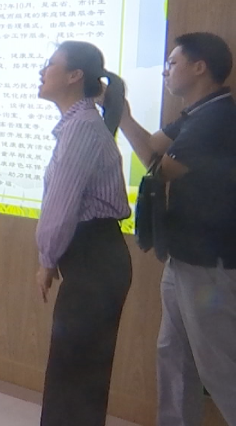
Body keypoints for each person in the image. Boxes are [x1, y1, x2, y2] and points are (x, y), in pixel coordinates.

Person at [117, 32, 236, 426]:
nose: (166, 71)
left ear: (199, 67)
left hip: (209, 264)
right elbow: (153, 147)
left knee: (218, 365)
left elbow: (161, 169)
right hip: (184, 257)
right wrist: (121, 114)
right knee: (174, 354)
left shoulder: (217, 118)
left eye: (172, 63)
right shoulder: (196, 113)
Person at [35, 41, 132, 426]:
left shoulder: (82, 128)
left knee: (76, 371)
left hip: (95, 258)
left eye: (50, 64)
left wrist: (46, 259)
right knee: (76, 368)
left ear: (75, 76)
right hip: (94, 258)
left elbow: (61, 205)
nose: (42, 71)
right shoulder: (81, 124)